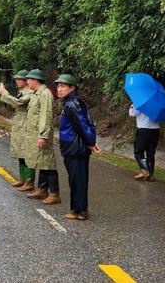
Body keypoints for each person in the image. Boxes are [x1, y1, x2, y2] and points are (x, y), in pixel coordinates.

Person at [54, 74, 101, 220]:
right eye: (58, 86)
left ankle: (79, 211)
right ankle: (79, 209)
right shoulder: (73, 102)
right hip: (74, 147)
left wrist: (91, 143)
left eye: (63, 86)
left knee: (77, 180)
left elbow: (82, 125)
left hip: (75, 148)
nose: (59, 89)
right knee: (76, 179)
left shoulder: (72, 104)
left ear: (72, 87)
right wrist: (91, 141)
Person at [19, 69, 61, 203]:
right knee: (41, 161)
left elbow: (46, 115)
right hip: (35, 134)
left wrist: (42, 135)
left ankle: (55, 193)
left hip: (42, 134)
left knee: (48, 162)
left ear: (35, 81)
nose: (27, 82)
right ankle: (43, 189)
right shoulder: (37, 93)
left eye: (29, 80)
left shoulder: (45, 94)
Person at [0, 70, 34, 189]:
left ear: (26, 81)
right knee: (20, 152)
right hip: (19, 125)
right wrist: (5, 97)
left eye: (20, 79)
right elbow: (15, 106)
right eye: (17, 79)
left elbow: (19, 103)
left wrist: (5, 94)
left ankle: (29, 182)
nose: (17, 81)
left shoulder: (30, 92)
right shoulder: (21, 91)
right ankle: (22, 179)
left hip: (25, 126)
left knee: (26, 153)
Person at [128, 104, 160, 181]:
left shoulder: (140, 102)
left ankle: (144, 171)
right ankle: (151, 173)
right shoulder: (157, 104)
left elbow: (132, 115)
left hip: (144, 130)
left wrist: (131, 107)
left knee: (138, 152)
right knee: (151, 153)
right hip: (155, 130)